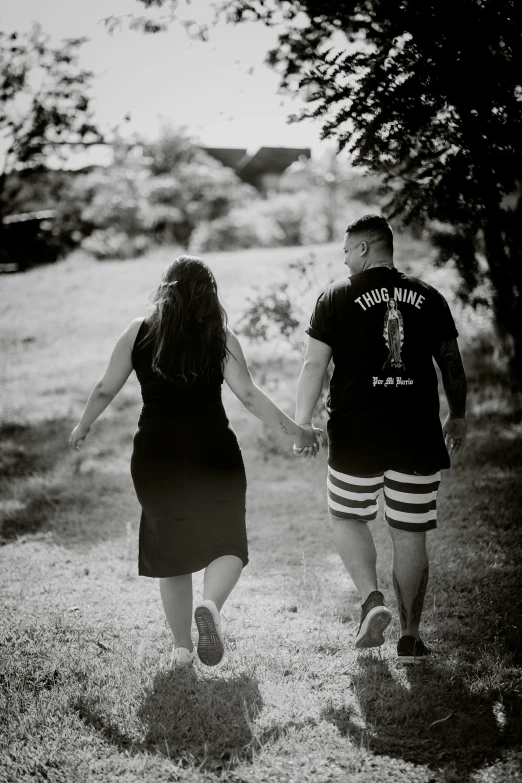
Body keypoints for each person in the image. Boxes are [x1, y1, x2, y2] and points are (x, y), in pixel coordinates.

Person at [70, 255, 321, 669]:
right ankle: (212, 607)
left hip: (155, 457)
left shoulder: (138, 332)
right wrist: (298, 431)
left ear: (165, 290)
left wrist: (83, 426)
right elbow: (250, 396)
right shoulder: (220, 337)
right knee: (227, 542)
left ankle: (182, 649)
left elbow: (104, 388)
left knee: (170, 553)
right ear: (209, 293)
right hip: (213, 454)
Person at [294, 214, 467, 665]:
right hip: (417, 435)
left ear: (368, 247)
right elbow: (451, 360)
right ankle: (410, 638)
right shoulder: (428, 296)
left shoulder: (334, 297)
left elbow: (313, 367)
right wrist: (459, 415)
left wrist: (302, 422)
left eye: (348, 250)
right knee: (410, 534)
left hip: (355, 437)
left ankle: (373, 601)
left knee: (348, 517)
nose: (345, 259)